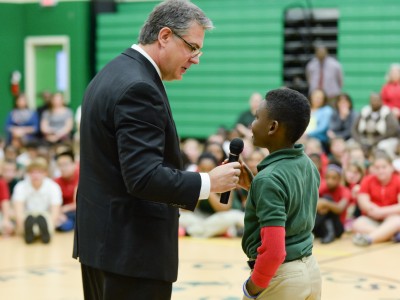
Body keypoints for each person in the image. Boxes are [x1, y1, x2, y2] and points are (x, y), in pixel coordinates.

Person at [73, 1, 242, 299]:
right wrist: (209, 182)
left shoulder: (112, 72)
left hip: (103, 246)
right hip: (131, 254)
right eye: (192, 47)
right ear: (164, 36)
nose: (196, 59)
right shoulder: (140, 88)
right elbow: (143, 177)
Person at [241, 88, 321, 300]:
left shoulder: (269, 179)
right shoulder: (307, 164)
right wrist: (253, 187)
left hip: (281, 279)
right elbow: (291, 206)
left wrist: (251, 288)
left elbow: (274, 251)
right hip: (311, 271)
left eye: (257, 117)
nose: (252, 123)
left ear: (272, 127)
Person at [352, 151, 400, 246]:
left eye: (384, 167)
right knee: (357, 224)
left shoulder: (398, 180)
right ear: (373, 169)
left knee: (398, 221)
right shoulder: (367, 180)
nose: (380, 171)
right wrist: (372, 210)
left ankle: (369, 239)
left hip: (391, 218)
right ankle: (390, 235)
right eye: (377, 168)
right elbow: (364, 203)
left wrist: (380, 211)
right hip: (372, 218)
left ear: (391, 167)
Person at [12, 157, 62, 244]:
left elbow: (55, 212)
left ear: (45, 173)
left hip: (46, 215)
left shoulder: (53, 187)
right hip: (27, 215)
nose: (36, 175)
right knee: (23, 221)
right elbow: (18, 211)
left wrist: (51, 226)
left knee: (47, 221)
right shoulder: (20, 186)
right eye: (32, 172)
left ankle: (39, 232)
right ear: (28, 174)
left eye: (39, 172)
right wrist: (21, 224)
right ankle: (31, 232)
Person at [351, 92, 399, 159]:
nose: (374, 102)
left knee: (382, 148)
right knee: (351, 146)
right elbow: (354, 128)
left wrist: (375, 140)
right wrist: (360, 140)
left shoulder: (386, 112)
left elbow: (392, 130)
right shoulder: (364, 110)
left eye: (376, 100)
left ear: (381, 101)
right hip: (364, 138)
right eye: (372, 100)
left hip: (382, 139)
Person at [313, 164, 350, 244]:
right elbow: (312, 205)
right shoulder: (322, 187)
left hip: (338, 228)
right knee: (324, 202)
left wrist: (325, 203)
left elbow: (340, 209)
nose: (330, 181)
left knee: (327, 198)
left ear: (340, 179)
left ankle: (310, 230)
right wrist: (322, 205)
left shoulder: (345, 191)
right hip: (322, 228)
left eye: (334, 178)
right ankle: (327, 233)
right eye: (327, 178)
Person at [53, 149, 79, 232]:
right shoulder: (55, 182)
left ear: (74, 164)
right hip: (65, 214)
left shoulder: (82, 179)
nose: (63, 168)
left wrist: (65, 208)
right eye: (60, 165)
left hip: (80, 211)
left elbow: (80, 203)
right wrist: (58, 213)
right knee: (64, 224)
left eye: (66, 164)